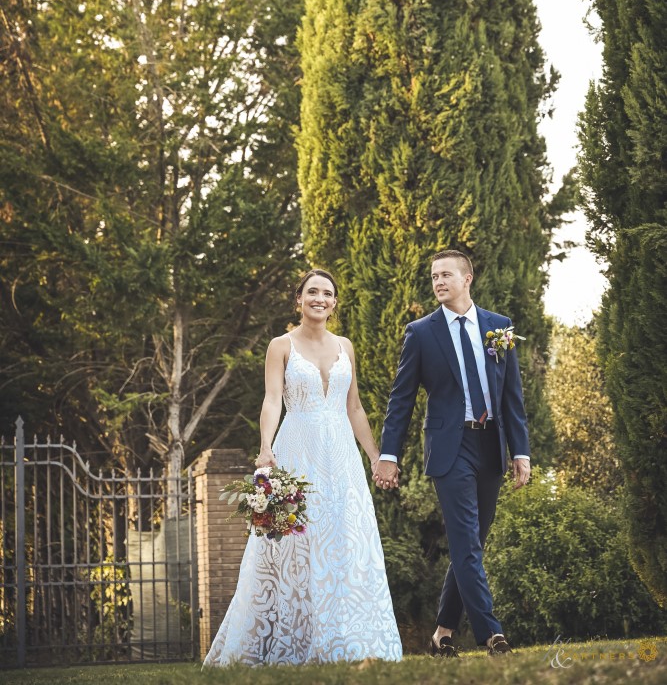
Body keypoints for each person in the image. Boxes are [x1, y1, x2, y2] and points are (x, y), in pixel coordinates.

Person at [203, 269, 402, 666]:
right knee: (295, 546)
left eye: (328, 293)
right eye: (313, 291)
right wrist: (264, 448)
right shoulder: (281, 345)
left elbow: (355, 407)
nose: (320, 299)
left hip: (341, 455)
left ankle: (351, 641)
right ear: (299, 299)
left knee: (346, 541)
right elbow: (272, 400)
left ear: (334, 303)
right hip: (298, 448)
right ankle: (290, 640)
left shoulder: (346, 345)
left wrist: (375, 455)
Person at [373, 250, 530, 658]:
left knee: (472, 542)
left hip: (491, 445)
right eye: (433, 276)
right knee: (465, 540)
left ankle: (443, 630)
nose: (438, 281)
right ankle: (491, 633)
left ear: (467, 279)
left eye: (446, 274)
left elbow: (512, 396)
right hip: (450, 447)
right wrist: (388, 453)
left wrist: (521, 451)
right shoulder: (421, 333)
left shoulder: (499, 327)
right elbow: (401, 398)